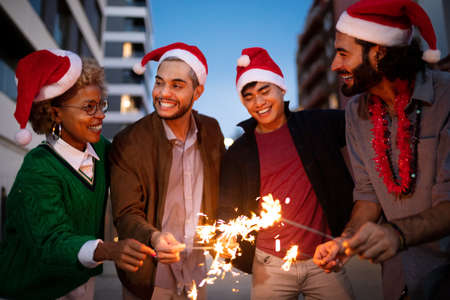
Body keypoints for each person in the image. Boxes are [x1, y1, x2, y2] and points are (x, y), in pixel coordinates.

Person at [313, 0, 450, 299]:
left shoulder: (446, 97)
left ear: (380, 52)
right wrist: (345, 242)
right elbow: (367, 196)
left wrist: (396, 233)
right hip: (397, 281)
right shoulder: (355, 113)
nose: (335, 65)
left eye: (343, 53)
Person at [0, 49, 155, 299]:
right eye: (88, 108)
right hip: (33, 288)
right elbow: (51, 241)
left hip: (79, 280)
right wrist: (108, 250)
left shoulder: (102, 149)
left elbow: (135, 167)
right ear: (55, 112)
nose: (101, 115)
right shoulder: (38, 168)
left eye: (101, 104)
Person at [218, 47, 355, 300]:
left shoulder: (317, 125)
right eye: (248, 97)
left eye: (264, 91)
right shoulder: (238, 152)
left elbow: (364, 119)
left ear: (281, 89)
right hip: (269, 265)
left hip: (323, 259)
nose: (258, 103)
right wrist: (224, 237)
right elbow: (226, 206)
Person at [110, 42, 225, 300]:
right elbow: (126, 214)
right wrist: (155, 237)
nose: (163, 93)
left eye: (176, 85)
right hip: (149, 276)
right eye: (159, 82)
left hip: (195, 273)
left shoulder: (212, 131)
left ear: (198, 92)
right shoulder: (129, 142)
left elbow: (223, 188)